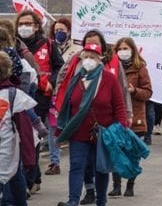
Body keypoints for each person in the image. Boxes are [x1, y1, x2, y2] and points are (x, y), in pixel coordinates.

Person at [56, 43, 127, 206]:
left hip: (103, 133)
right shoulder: (75, 80)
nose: (88, 60)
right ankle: (72, 200)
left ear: (100, 59)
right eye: (86, 57)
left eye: (92, 57)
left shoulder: (109, 79)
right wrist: (61, 129)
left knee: (100, 168)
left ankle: (101, 201)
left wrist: (121, 128)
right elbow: (67, 105)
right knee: (76, 165)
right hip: (78, 132)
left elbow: (119, 105)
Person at [15, 9, 64, 195]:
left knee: (32, 136)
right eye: (21, 23)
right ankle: (33, 176)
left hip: (40, 97)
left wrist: (51, 82)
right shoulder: (15, 45)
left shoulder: (48, 44)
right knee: (20, 138)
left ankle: (29, 180)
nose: (24, 27)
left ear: (36, 26)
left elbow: (59, 67)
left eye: (28, 23)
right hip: (17, 96)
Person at [106, 37, 152, 198]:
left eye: (126, 48)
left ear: (132, 50)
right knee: (115, 151)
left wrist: (134, 91)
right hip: (115, 117)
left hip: (136, 117)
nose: (123, 52)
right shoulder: (110, 68)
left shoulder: (140, 68)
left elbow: (148, 93)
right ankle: (116, 185)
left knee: (132, 154)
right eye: (120, 49)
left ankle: (130, 185)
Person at [45, 17, 82, 176]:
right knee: (53, 128)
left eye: (62, 30)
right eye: (56, 30)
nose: (59, 33)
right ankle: (55, 162)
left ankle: (77, 158)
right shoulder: (50, 47)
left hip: (72, 92)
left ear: (69, 32)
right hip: (54, 93)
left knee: (73, 128)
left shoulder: (77, 49)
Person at [0, 50, 37, 206]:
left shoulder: (13, 95)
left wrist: (29, 158)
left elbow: (25, 129)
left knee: (12, 180)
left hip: (7, 151)